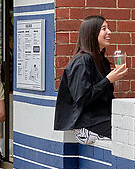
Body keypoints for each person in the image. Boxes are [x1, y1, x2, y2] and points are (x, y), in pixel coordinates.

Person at [54, 15, 128, 144]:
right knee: (128, 136)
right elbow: (82, 98)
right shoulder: (82, 61)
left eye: (108, 28)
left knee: (134, 128)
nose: (109, 32)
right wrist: (108, 80)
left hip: (101, 119)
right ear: (92, 33)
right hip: (87, 124)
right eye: (104, 28)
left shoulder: (102, 60)